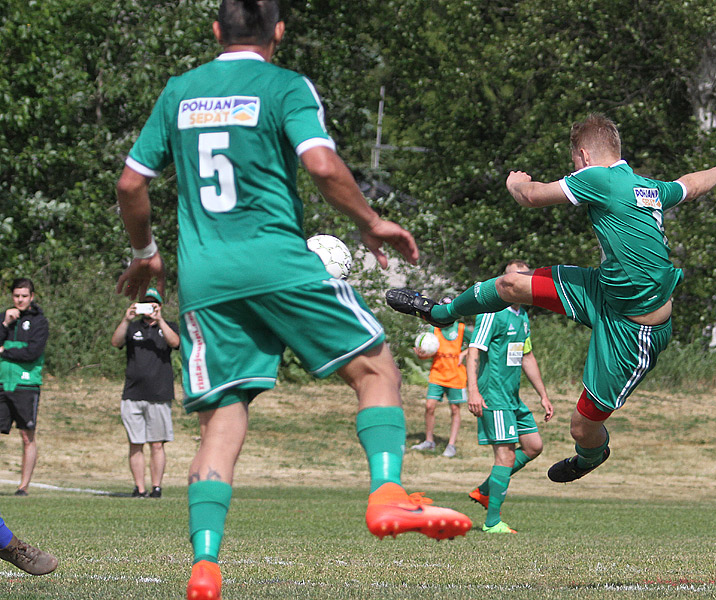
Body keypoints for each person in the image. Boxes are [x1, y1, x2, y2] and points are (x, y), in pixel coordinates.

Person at [114, 2, 471, 597]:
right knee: (376, 367)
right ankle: (387, 494)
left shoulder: (180, 91)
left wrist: (146, 250)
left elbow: (131, 182)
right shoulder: (283, 85)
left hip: (205, 280)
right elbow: (322, 164)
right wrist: (370, 220)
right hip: (275, 260)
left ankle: (205, 565)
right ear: (278, 32)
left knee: (221, 419)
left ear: (215, 32)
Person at [387, 114, 716, 486]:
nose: (572, 170)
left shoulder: (598, 177)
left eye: (573, 162)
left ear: (583, 155)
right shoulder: (648, 188)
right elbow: (687, 185)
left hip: (634, 330)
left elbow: (529, 197)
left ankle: (591, 456)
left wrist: (516, 183)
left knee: (582, 427)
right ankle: (442, 313)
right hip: (602, 290)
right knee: (512, 284)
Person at [464, 261, 553, 534]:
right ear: (504, 280)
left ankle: (485, 490)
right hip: (493, 396)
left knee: (533, 445)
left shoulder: (522, 315)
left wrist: (543, 394)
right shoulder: (493, 312)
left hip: (513, 397)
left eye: (524, 276)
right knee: (504, 456)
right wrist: (473, 391)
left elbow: (526, 356)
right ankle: (492, 523)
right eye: (514, 275)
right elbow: (473, 351)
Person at [111, 287, 180, 499]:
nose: (149, 308)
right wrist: (125, 319)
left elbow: (175, 343)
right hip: (133, 393)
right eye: (146, 304)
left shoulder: (168, 326)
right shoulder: (132, 328)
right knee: (135, 443)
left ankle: (156, 487)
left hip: (159, 394)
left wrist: (160, 321)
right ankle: (139, 488)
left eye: (153, 304)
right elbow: (116, 342)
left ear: (160, 306)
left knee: (157, 444)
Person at [0, 278, 49, 496]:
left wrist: (4, 351)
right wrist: (5, 325)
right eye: (16, 295)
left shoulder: (40, 322)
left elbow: (32, 353)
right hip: (2, 382)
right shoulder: (4, 317)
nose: (20, 300)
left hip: (26, 384)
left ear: (32, 297)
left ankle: (23, 486)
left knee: (27, 436)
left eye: (24, 296)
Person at [410, 298, 470, 458]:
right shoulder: (433, 330)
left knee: (455, 409)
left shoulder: (462, 329)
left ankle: (451, 445)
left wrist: (464, 354)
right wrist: (421, 355)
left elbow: (477, 345)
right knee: (430, 406)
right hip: (437, 374)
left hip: (456, 376)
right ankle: (429, 441)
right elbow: (428, 354)